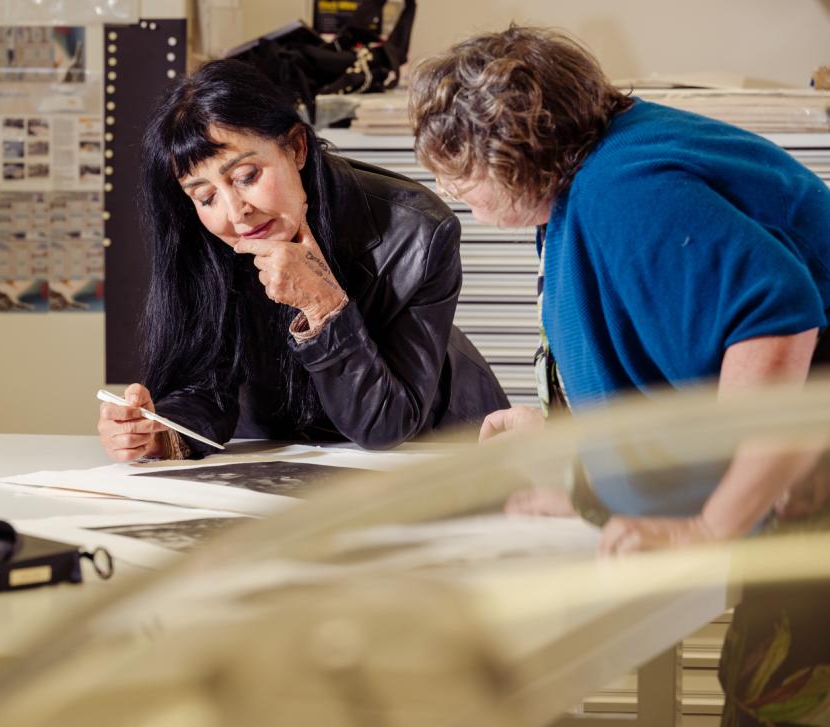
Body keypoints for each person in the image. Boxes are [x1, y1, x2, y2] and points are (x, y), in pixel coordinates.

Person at [408, 26, 830, 725]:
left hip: (812, 482)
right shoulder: (589, 171)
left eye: (459, 171)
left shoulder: (624, 191)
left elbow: (775, 321)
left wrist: (706, 529)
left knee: (781, 695)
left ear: (517, 153)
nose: (451, 192)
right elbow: (664, 339)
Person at [97, 59, 508, 462]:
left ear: (295, 147)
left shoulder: (418, 228)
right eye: (205, 197)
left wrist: (322, 305)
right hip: (292, 463)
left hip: (436, 449)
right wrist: (162, 432)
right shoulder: (204, 238)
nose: (235, 211)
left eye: (247, 177)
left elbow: (386, 424)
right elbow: (206, 384)